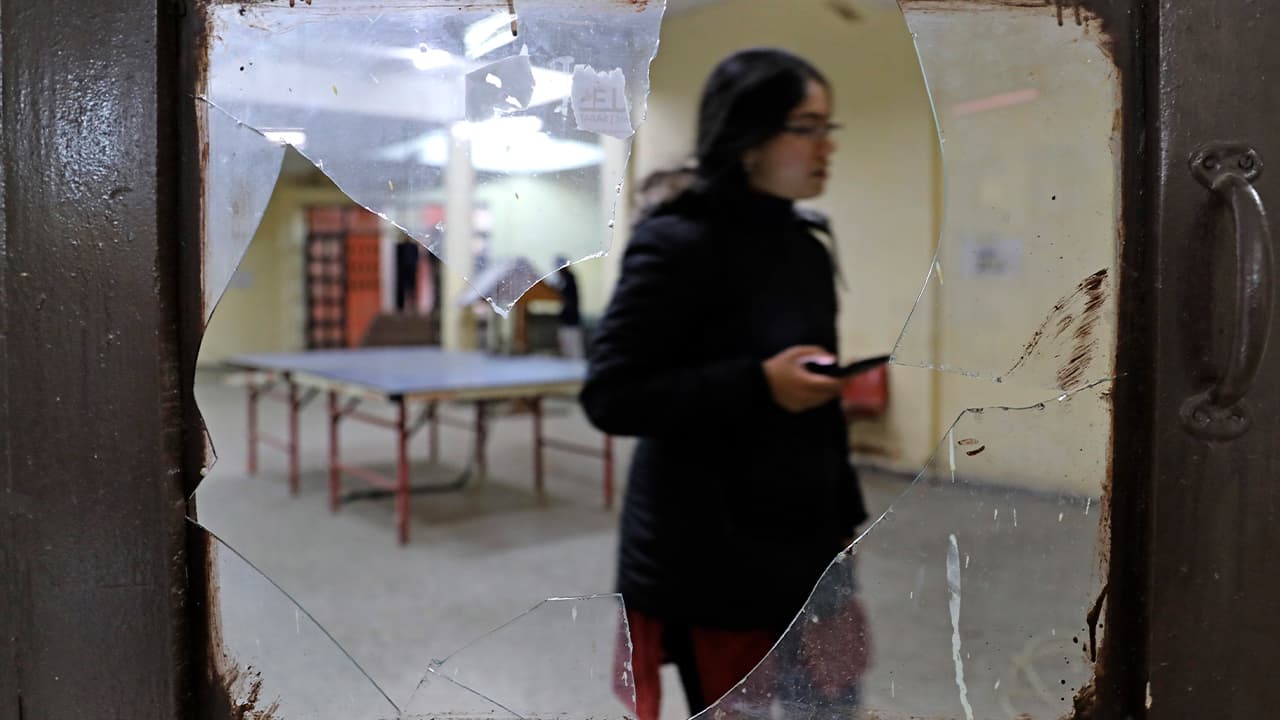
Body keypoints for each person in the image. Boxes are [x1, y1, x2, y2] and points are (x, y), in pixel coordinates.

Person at [580, 49, 868, 720]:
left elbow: (815, 404)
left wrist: (844, 515)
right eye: (807, 125)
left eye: (831, 127)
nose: (826, 145)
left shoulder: (804, 245)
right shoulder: (679, 242)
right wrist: (756, 385)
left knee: (832, 707)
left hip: (808, 541)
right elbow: (612, 394)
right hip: (712, 556)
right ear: (748, 136)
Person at [553, 255, 584, 358]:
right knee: (566, 347)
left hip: (571, 319)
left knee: (573, 348)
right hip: (567, 318)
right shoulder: (564, 279)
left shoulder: (569, 278)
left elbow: (567, 298)